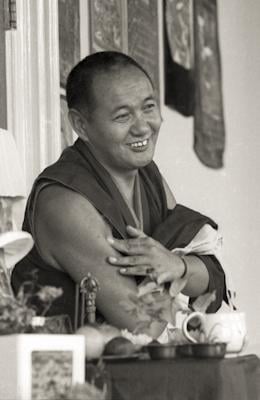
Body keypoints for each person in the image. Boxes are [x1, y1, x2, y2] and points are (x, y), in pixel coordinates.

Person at [11, 51, 227, 339]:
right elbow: (144, 322)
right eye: (123, 116)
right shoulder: (65, 202)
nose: (142, 126)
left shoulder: (149, 176)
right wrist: (181, 273)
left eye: (148, 107)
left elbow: (213, 280)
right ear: (81, 125)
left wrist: (178, 265)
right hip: (69, 375)